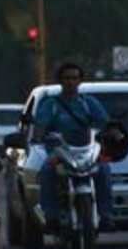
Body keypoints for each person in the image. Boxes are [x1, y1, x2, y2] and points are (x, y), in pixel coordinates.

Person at [31, 62, 116, 233]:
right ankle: (51, 217)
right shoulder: (50, 104)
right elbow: (40, 126)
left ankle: (106, 215)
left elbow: (106, 123)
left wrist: (115, 133)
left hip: (86, 151)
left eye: (74, 78)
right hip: (59, 152)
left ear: (80, 81)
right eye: (67, 78)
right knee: (47, 171)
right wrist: (39, 134)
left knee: (105, 169)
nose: (71, 82)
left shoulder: (89, 103)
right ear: (60, 81)